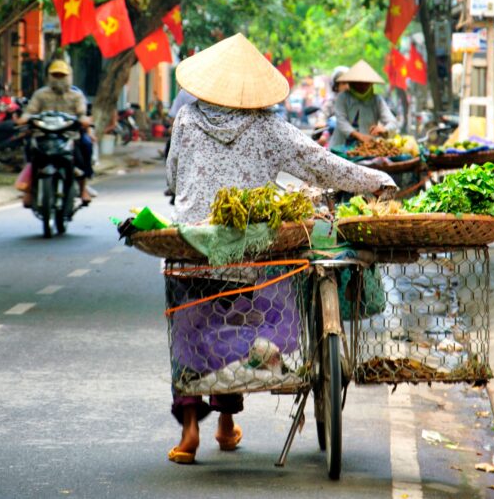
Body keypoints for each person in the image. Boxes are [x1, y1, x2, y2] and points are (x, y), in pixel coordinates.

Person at [165, 33, 396, 464]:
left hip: (193, 244)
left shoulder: (186, 119)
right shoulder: (268, 126)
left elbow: (174, 174)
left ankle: (191, 430)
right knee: (240, 325)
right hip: (251, 248)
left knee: (191, 327)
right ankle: (227, 421)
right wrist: (376, 181)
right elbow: (321, 163)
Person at [18, 60, 92, 206]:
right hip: (43, 134)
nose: (59, 78)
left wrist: (84, 120)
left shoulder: (76, 96)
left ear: (68, 76)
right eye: (55, 75)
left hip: (69, 135)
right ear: (49, 76)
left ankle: (84, 189)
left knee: (86, 145)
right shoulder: (40, 94)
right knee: (29, 149)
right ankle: (28, 191)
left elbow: (82, 113)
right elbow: (30, 111)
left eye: (62, 75)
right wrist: (24, 119)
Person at [328, 60, 399, 149]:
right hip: (340, 146)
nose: (362, 86)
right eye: (358, 83)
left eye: (365, 83)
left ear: (371, 84)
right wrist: (359, 136)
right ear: (351, 83)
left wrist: (384, 129)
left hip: (367, 148)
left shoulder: (377, 100)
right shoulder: (342, 97)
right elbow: (341, 121)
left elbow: (392, 122)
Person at [313, 66, 348, 147]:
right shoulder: (331, 103)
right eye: (343, 83)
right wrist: (321, 121)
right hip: (334, 139)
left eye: (349, 83)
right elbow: (323, 115)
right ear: (336, 86)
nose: (347, 86)